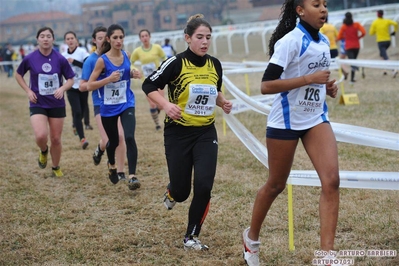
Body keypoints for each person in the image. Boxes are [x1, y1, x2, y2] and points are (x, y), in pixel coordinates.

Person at [241, 1, 340, 265]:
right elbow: (266, 85)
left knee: (331, 181)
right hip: (285, 121)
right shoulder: (290, 41)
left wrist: (327, 87)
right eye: (316, 4)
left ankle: (326, 256)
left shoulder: (323, 41)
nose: (323, 9)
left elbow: (315, 77)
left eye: (325, 4)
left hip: (315, 118)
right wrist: (310, 80)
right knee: (276, 185)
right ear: (300, 10)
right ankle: (251, 239)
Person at [142, 14, 232, 251]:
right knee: (182, 192)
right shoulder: (176, 63)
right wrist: (166, 105)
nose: (204, 42)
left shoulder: (215, 64)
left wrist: (223, 102)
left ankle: (191, 236)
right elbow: (148, 85)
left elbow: (215, 91)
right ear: (188, 38)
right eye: (200, 37)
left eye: (208, 38)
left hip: (205, 132)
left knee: (204, 185)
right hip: (178, 133)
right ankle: (172, 192)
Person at [87, 24, 142, 190]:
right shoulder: (101, 61)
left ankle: (132, 176)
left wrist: (132, 73)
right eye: (115, 38)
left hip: (126, 103)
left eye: (121, 37)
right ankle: (111, 164)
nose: (119, 41)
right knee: (113, 142)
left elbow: (126, 71)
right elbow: (89, 85)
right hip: (108, 107)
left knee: (129, 137)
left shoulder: (126, 54)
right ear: (109, 39)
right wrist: (107, 80)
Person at [15, 26, 75, 177]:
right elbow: (18, 74)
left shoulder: (60, 59)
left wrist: (62, 89)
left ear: (53, 39)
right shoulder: (30, 58)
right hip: (38, 102)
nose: (46, 39)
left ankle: (55, 167)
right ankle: (43, 150)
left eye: (48, 36)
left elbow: (70, 79)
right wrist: (28, 91)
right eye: (42, 36)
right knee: (41, 136)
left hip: (56, 102)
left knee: (55, 138)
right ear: (38, 39)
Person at [80, 26, 127, 181]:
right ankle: (100, 150)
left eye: (104, 37)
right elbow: (83, 85)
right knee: (108, 139)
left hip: (119, 102)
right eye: (99, 38)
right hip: (101, 104)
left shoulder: (119, 56)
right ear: (95, 40)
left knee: (120, 136)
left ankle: (120, 172)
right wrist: (105, 80)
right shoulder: (91, 61)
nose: (102, 40)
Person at [130, 29, 167, 131]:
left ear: (150, 37)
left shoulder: (157, 48)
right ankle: (157, 125)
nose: (145, 38)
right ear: (140, 38)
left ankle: (156, 111)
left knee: (161, 105)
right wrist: (135, 69)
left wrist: (165, 70)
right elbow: (131, 62)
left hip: (159, 79)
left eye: (146, 35)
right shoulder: (137, 51)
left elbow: (165, 59)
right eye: (142, 36)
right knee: (152, 103)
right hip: (146, 81)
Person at [62, 31, 90, 149]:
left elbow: (88, 65)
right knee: (77, 111)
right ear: (65, 42)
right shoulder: (62, 55)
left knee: (83, 111)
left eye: (72, 38)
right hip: (71, 86)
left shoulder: (82, 52)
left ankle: (75, 124)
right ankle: (82, 139)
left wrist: (74, 62)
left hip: (83, 85)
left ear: (76, 39)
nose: (70, 41)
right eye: (68, 39)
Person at [337, 12, 366, 84]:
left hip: (348, 46)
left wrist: (346, 37)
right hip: (356, 46)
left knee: (352, 61)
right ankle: (352, 79)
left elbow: (339, 36)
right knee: (354, 61)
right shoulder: (356, 24)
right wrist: (359, 37)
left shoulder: (344, 26)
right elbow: (363, 32)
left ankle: (353, 75)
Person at [369, 9, 398, 77]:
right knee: (382, 54)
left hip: (380, 41)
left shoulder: (375, 22)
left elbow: (371, 33)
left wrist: (376, 30)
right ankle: (384, 70)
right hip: (388, 41)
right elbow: (396, 24)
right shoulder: (386, 21)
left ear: (377, 15)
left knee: (385, 56)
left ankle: (394, 69)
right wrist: (394, 31)